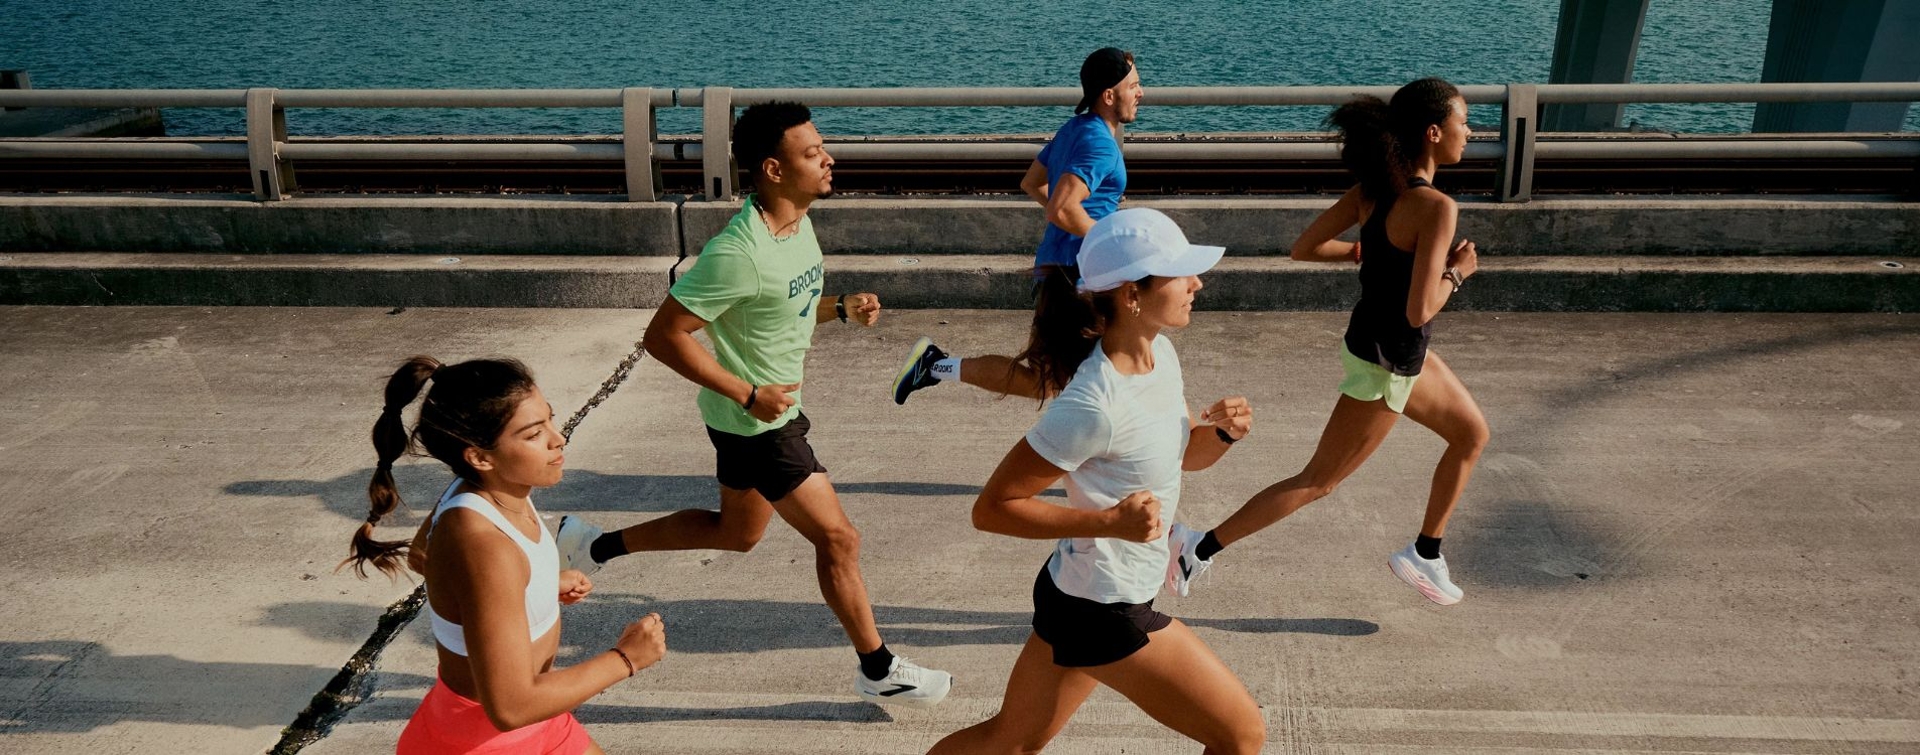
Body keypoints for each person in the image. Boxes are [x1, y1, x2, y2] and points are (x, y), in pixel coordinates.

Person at [553, 102, 952, 706]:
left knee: (736, 533)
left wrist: (839, 307)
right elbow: (662, 336)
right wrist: (746, 392)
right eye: (813, 152)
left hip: (748, 418)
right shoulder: (737, 253)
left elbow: (778, 306)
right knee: (839, 539)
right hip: (759, 423)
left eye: (824, 147)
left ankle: (592, 546)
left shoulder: (797, 225)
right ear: (773, 169)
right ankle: (878, 668)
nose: (829, 158)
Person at [927, 208, 1265, 755]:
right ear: (1132, 293)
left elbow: (1180, 460)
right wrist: (1107, 523)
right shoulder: (1092, 404)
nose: (1197, 283)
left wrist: (1224, 435)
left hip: (1078, 591)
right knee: (1241, 735)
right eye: (1181, 272)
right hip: (1104, 610)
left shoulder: (1162, 355)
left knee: (1011, 741)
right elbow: (993, 508)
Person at [1166, 77, 1488, 606]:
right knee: (1317, 481)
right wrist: (1458, 273)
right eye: (1463, 122)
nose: (1469, 133)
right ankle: (1198, 547)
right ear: (1434, 132)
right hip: (1387, 365)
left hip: (1385, 349)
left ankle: (1426, 552)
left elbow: (1305, 247)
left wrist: (1367, 253)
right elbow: (1419, 308)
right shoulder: (1437, 207)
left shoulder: (1373, 191)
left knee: (1471, 434)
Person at [343, 356, 666, 754]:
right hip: (487, 738)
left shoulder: (487, 491)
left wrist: (530, 589)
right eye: (533, 434)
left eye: (550, 419)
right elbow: (510, 707)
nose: (558, 438)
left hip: (542, 716)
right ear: (480, 456)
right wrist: (626, 658)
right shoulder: (484, 542)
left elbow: (424, 556)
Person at [892, 47, 1143, 404]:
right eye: (1133, 85)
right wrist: (1106, 238)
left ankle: (934, 366)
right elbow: (1060, 209)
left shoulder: (1075, 129)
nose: (1141, 92)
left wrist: (1075, 217)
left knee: (1049, 382)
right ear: (1108, 95)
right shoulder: (1100, 146)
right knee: (1091, 374)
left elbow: (1032, 183)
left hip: (1062, 271)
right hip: (1077, 278)